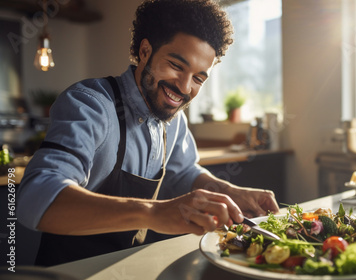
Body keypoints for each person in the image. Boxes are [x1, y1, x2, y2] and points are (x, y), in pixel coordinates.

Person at [17, 0, 279, 266]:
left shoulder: (173, 119)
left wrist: (229, 191)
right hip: (68, 271)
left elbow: (184, 173)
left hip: (126, 268)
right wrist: (155, 212)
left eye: (199, 78)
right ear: (145, 51)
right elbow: (34, 197)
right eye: (177, 66)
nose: (185, 88)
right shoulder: (91, 104)